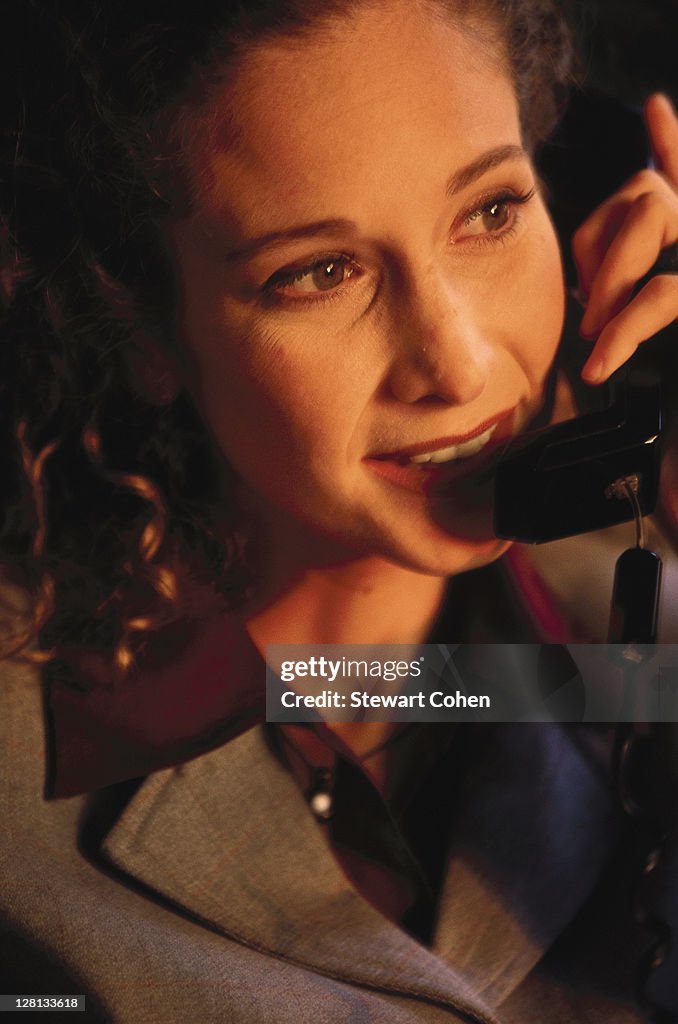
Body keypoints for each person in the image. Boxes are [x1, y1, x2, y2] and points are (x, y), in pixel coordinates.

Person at [1, 1, 678, 1021]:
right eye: (321, 272)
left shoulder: (644, 646)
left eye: (492, 211)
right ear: (143, 327)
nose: (458, 365)